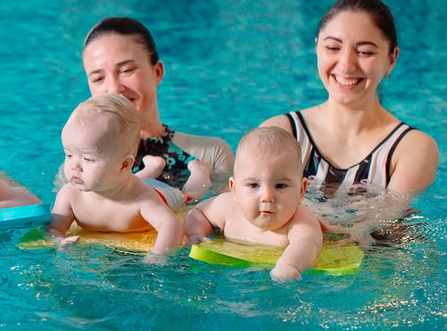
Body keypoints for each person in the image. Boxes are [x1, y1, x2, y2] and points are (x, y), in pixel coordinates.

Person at [260, 0, 438, 199]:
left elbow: (373, 228)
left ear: (391, 59)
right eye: (333, 48)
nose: (346, 65)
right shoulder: (281, 134)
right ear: (317, 48)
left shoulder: (411, 149)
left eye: (365, 52)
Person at [80, 17, 234, 201]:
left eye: (126, 70)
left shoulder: (210, 155)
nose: (113, 88)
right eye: (98, 78)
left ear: (157, 72)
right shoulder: (80, 163)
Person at [47, 94, 184, 257]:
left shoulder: (142, 198)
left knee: (189, 194)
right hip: (120, 178)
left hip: (161, 191)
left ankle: (198, 174)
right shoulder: (69, 195)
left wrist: (157, 257)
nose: (74, 166)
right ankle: (153, 167)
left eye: (88, 158)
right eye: (68, 155)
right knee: (126, 177)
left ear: (125, 164)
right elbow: (54, 229)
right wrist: (58, 241)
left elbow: (170, 225)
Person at [184, 127, 322, 281]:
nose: (267, 197)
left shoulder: (300, 222)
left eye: (281, 186)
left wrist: (289, 266)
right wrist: (196, 233)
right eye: (254, 185)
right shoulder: (228, 207)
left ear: (301, 191)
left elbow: (308, 245)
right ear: (234, 190)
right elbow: (199, 213)